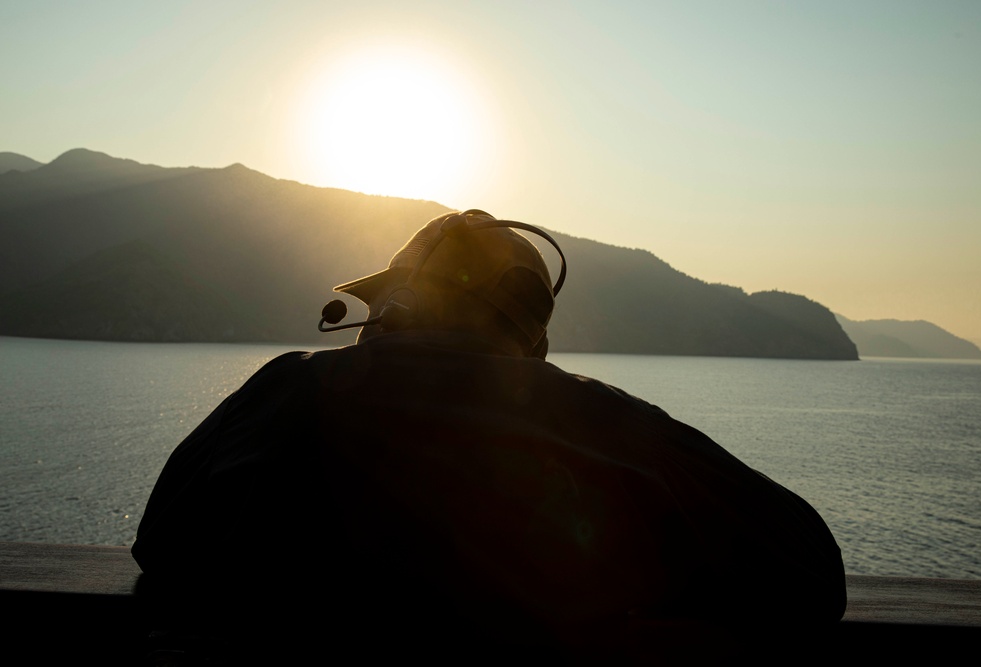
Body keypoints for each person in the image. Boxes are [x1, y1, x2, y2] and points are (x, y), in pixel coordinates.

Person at [132, 209, 845, 663]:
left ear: (402, 301)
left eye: (382, 299)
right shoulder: (604, 423)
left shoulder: (290, 390)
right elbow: (811, 567)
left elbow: (161, 537)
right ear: (530, 330)